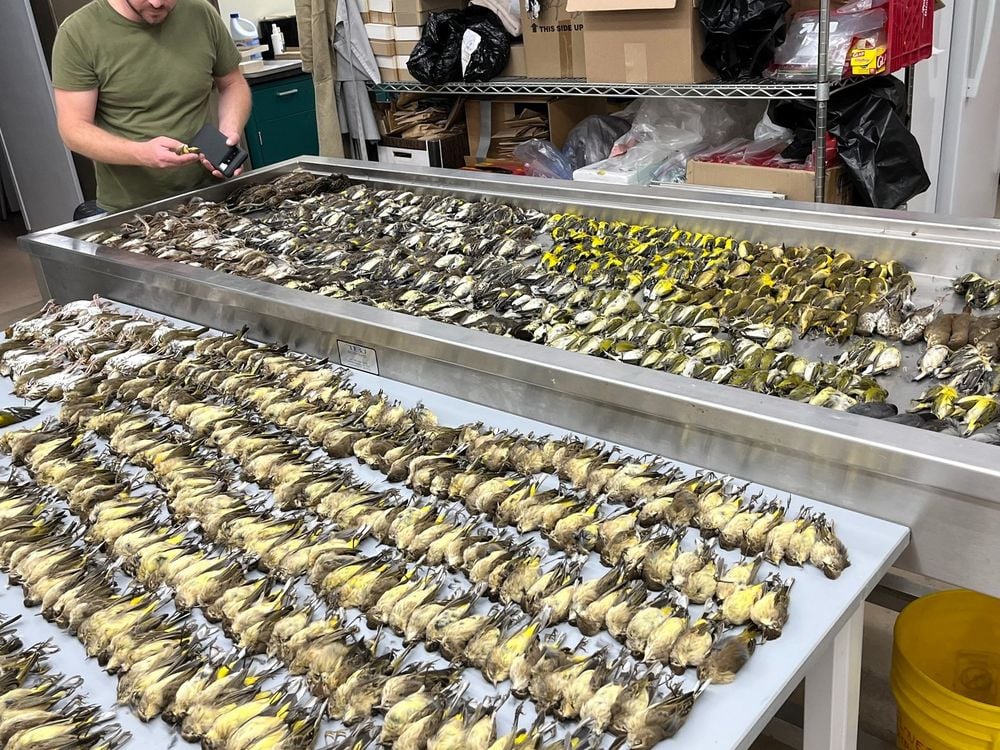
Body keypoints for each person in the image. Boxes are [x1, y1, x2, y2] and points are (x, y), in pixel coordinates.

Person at [51, 0, 252, 214]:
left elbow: (232, 84)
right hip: (134, 208)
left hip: (216, 193)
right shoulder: (78, 33)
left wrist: (229, 132)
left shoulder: (201, 13)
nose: (157, 3)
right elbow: (73, 129)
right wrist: (140, 153)